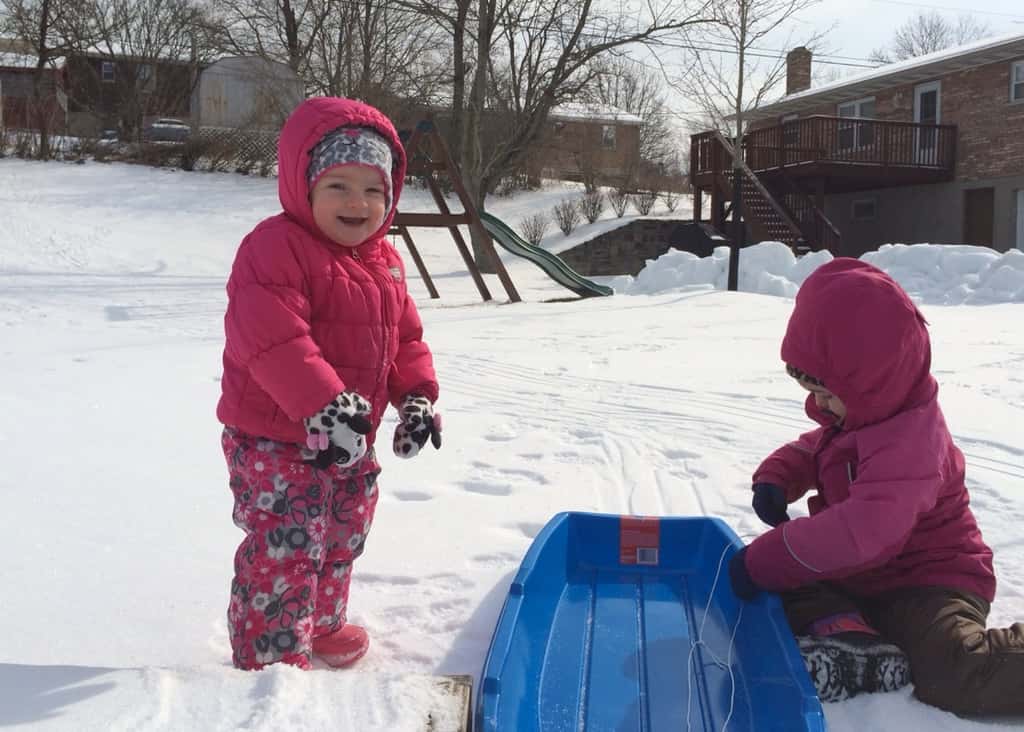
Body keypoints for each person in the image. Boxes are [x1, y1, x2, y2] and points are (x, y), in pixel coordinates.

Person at [729, 258, 1024, 714]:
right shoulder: (866, 414)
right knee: (781, 588)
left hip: (930, 581)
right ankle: (855, 638)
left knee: (952, 672)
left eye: (827, 395)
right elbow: (817, 448)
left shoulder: (913, 442)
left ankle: (861, 635)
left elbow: (862, 530)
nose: (820, 406)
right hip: (860, 576)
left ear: (872, 382)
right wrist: (778, 476)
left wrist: (767, 556)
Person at [216, 97, 442, 671]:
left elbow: (405, 339)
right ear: (304, 185)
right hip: (274, 439)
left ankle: (321, 624)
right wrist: (324, 404)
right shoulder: (275, 248)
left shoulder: (386, 261)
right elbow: (271, 338)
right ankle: (270, 659)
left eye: (372, 190)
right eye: (338, 186)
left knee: (343, 534)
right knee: (287, 542)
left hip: (350, 438)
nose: (357, 203)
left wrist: (416, 398)